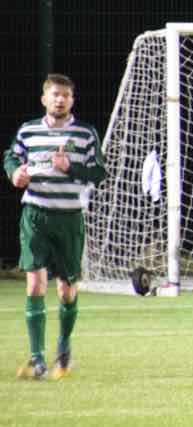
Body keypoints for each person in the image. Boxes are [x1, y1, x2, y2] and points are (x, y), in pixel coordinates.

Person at [4, 74, 106, 379]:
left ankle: (63, 346)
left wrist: (70, 167)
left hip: (69, 218)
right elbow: (12, 157)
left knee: (65, 290)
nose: (60, 99)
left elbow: (98, 173)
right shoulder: (29, 130)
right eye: (55, 94)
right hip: (35, 215)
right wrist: (14, 173)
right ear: (44, 99)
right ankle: (36, 359)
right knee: (35, 283)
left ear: (72, 100)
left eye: (65, 95)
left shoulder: (85, 134)